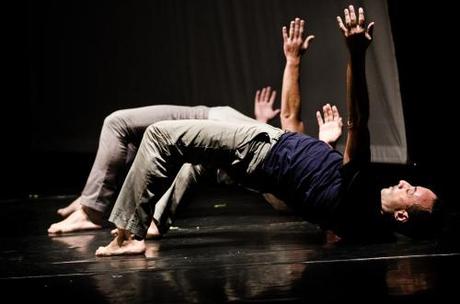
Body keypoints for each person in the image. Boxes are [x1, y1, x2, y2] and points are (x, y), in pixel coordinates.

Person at [95, 6, 441, 257]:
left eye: (412, 192)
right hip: (266, 150)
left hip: (260, 149)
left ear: (400, 214)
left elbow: (359, 120)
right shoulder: (353, 209)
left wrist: (356, 53)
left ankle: (129, 234)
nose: (405, 182)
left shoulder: (361, 200)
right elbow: (290, 117)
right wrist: (292, 61)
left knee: (161, 135)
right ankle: (151, 222)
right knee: (193, 158)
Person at [47, 87, 280, 236]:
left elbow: (289, 121)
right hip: (220, 117)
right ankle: (92, 202)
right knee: (118, 125)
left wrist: (292, 60)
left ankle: (92, 209)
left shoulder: (292, 179)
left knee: (117, 124)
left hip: (222, 121)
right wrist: (260, 123)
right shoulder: (296, 165)